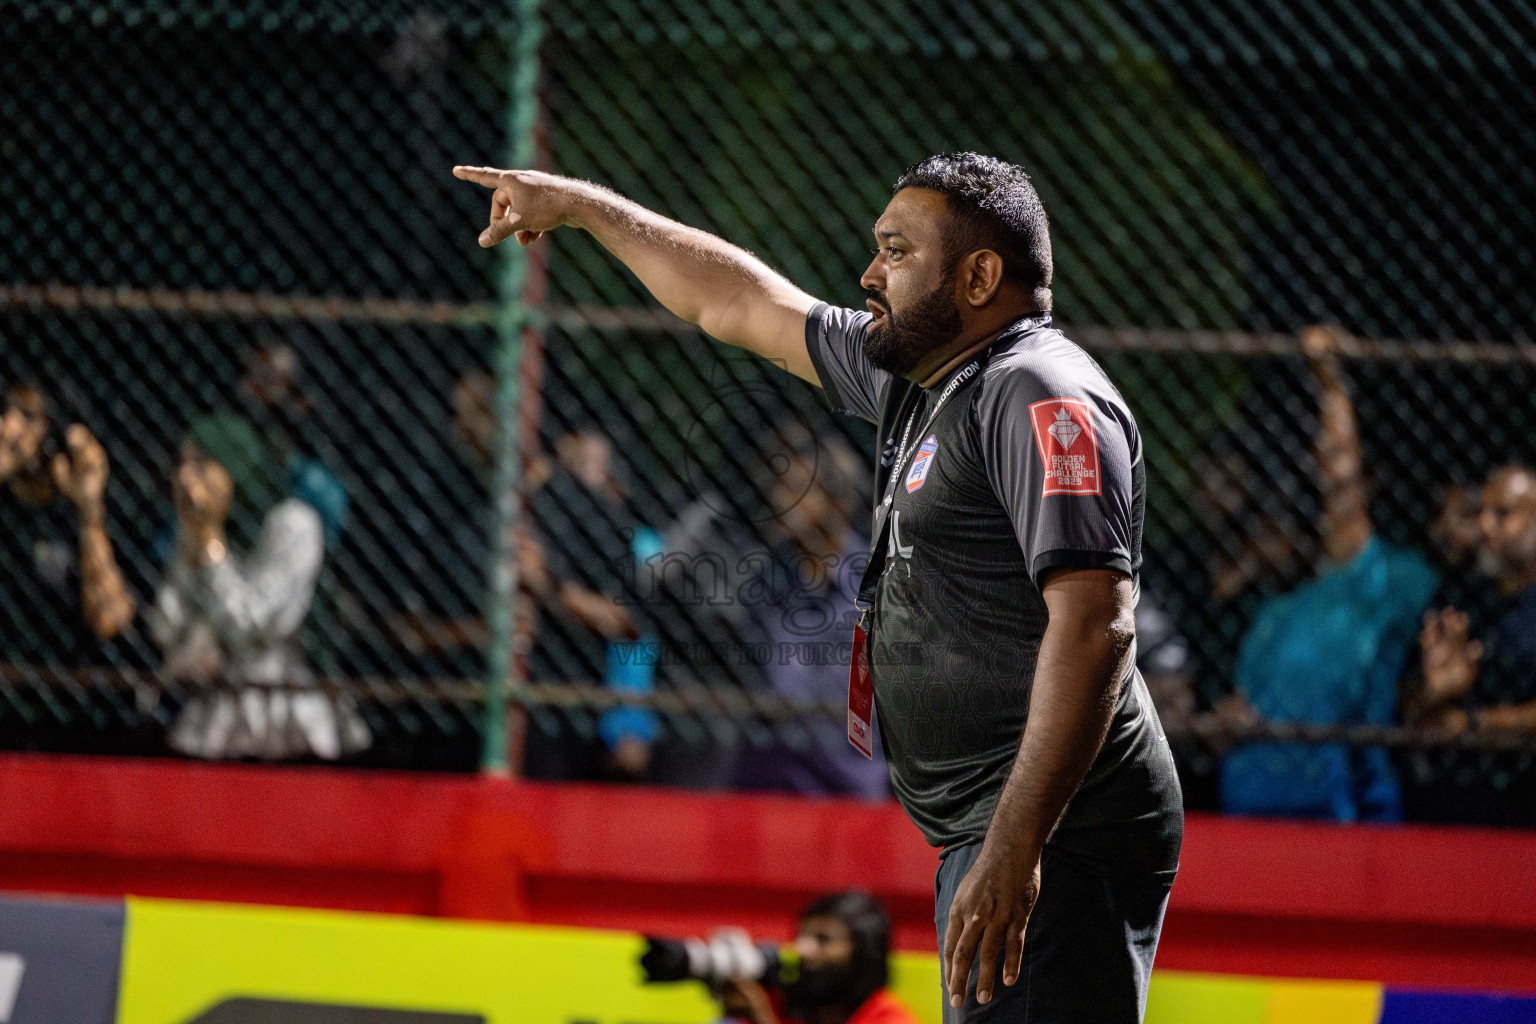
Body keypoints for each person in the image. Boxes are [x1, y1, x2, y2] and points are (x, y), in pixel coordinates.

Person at [454, 150, 1182, 1021]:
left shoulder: (1039, 394)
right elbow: (737, 301)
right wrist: (583, 208)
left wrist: (1017, 845)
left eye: (898, 252)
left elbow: (1097, 626)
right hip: (996, 827)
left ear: (980, 276)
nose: (870, 274)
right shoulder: (927, 379)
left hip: (1056, 827)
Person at [1216, 326, 1438, 821]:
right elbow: (1239, 710)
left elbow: (1341, 481)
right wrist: (1223, 723)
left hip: (1342, 813)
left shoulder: (1389, 577)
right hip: (1249, 810)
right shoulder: (1274, 613)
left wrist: (1332, 385)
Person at [149, 416, 369, 760]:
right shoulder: (194, 528)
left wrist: (210, 542)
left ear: (234, 467)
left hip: (286, 713)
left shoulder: (294, 524)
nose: (186, 479)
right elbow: (166, 626)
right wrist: (195, 540)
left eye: (201, 465)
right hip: (215, 712)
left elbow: (247, 625)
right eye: (182, 466)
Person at [1411, 464, 1536, 826]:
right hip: (1451, 801)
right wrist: (1435, 695)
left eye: (1503, 514)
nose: (1484, 526)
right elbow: (1412, 703)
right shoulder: (1459, 598)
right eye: (1481, 511)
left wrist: (1472, 722)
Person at [0, 385, 137, 661]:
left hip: (61, 668)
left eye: (26, 416)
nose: (9, 425)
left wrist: (89, 510)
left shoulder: (75, 514)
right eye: (5, 412)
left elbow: (109, 620)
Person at [717, 891, 918, 1024]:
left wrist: (762, 1019)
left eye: (823, 939)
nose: (802, 949)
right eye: (801, 936)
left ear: (863, 952)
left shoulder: (888, 1019)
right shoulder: (778, 1004)